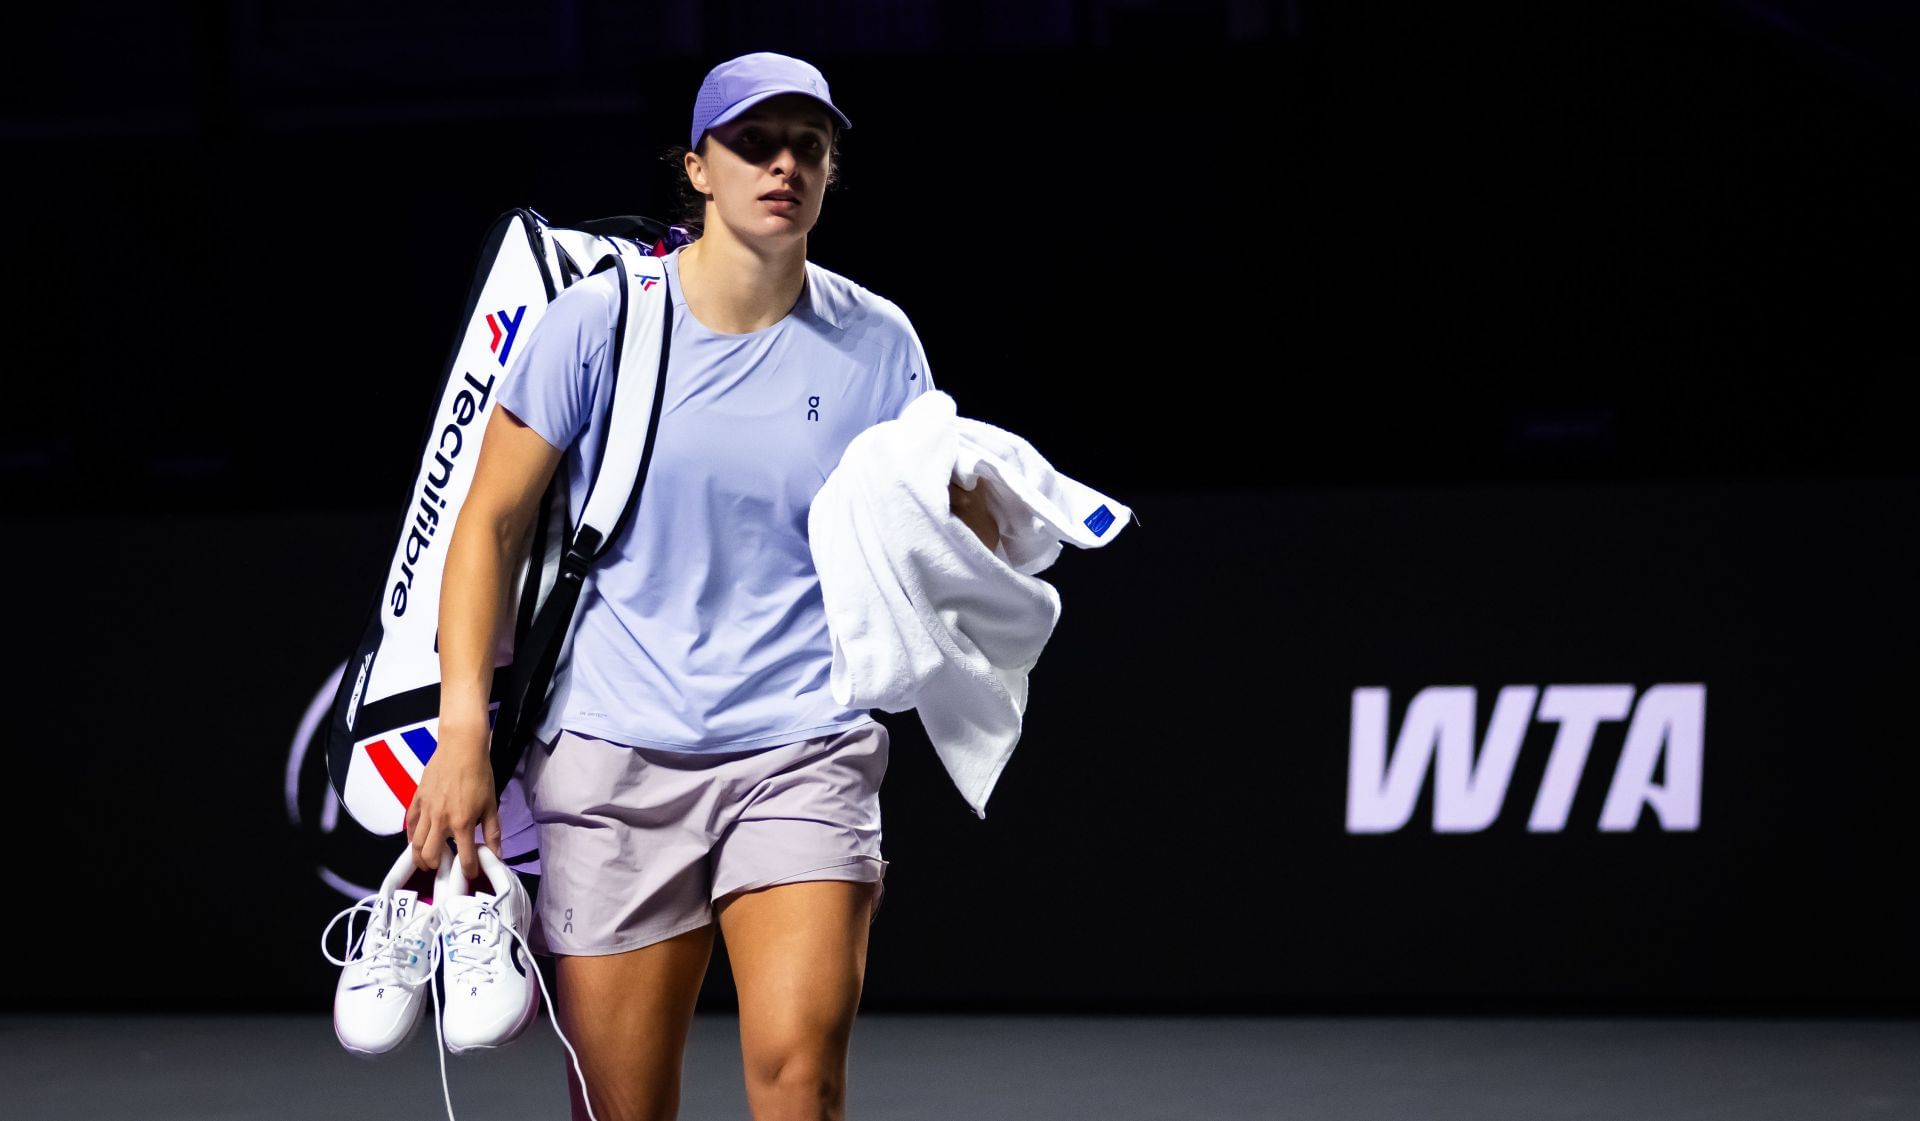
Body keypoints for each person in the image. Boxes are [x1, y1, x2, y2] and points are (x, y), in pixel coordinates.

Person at [403, 51, 998, 1121]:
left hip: (803, 747)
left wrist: (980, 523)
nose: (785, 165)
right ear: (699, 167)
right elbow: (485, 522)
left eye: (808, 147)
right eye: (755, 145)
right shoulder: (599, 324)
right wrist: (461, 734)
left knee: (802, 1082)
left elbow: (931, 526)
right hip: (614, 759)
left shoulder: (880, 342)